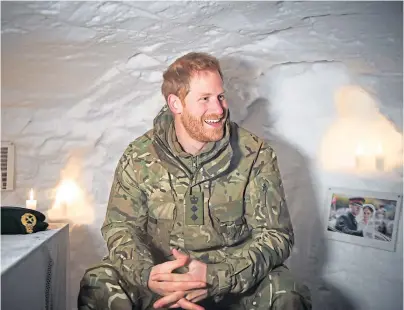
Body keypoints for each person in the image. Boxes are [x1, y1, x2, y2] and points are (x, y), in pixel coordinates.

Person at [78, 52, 312, 310]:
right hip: (161, 281)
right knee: (98, 282)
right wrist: (148, 276)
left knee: (286, 291)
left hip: (232, 283)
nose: (219, 109)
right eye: (205, 99)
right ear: (176, 104)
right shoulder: (139, 157)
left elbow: (275, 235)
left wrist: (217, 277)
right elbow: (120, 228)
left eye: (220, 96)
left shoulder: (254, 155)